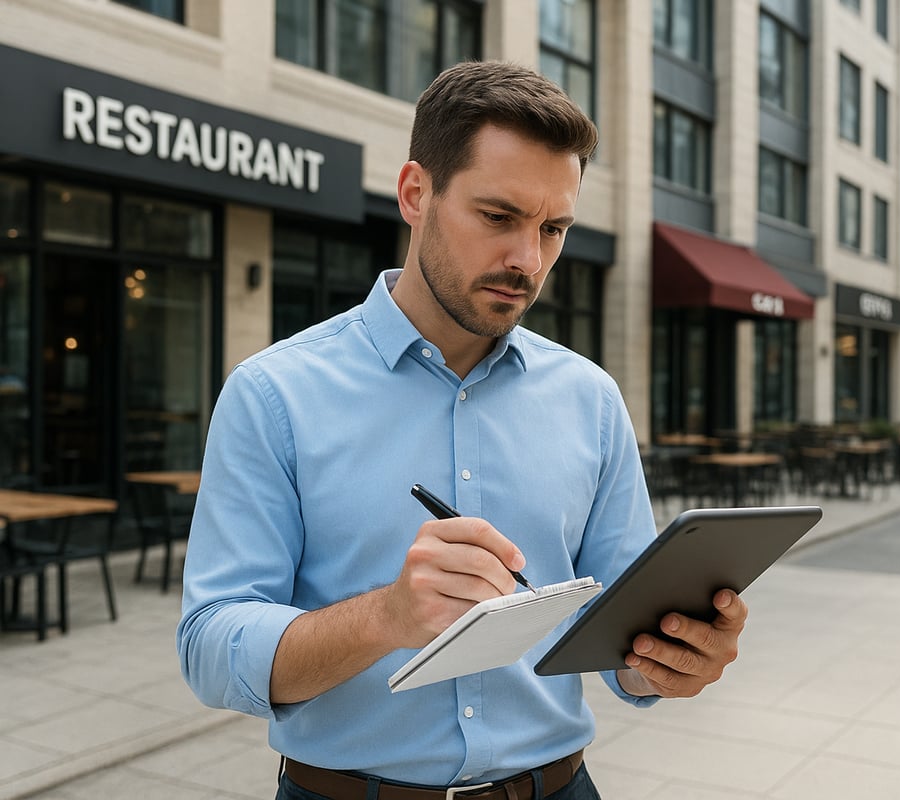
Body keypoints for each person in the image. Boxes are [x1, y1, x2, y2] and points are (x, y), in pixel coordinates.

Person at [177, 60, 747, 800]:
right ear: (416, 194)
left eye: (553, 228)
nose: (528, 260)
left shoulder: (590, 398)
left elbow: (627, 641)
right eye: (499, 217)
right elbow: (211, 647)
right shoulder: (274, 394)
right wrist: (387, 616)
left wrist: (672, 658)